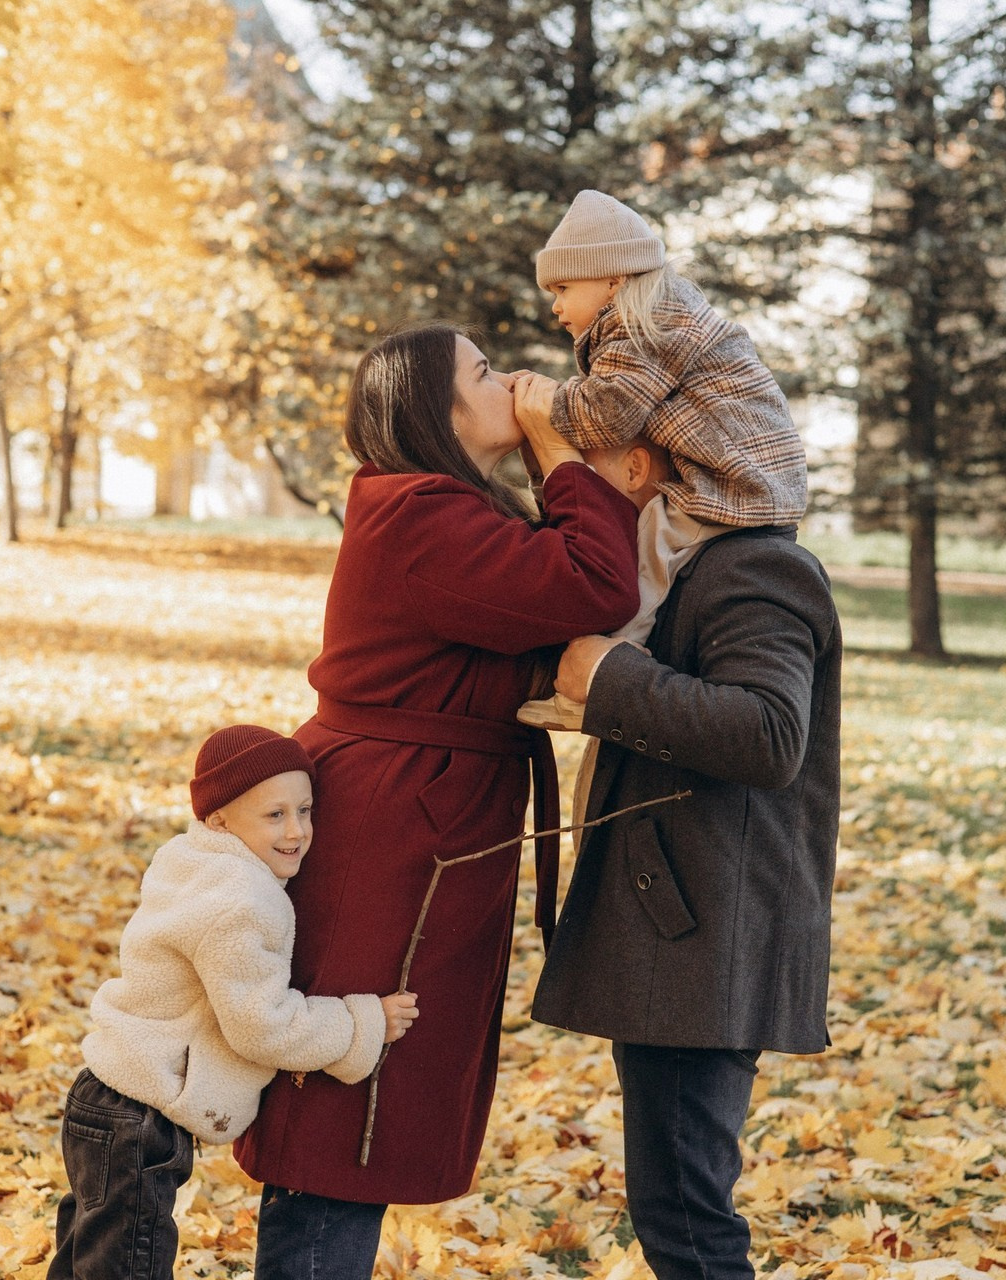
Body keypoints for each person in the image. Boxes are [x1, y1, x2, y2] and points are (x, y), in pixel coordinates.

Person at [233, 324, 641, 1279]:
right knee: (347, 1090)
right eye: (485, 373)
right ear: (434, 411)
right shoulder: (417, 511)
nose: (513, 381)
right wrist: (560, 451)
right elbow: (594, 583)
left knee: (368, 1081)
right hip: (398, 826)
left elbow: (562, 590)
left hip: (424, 812)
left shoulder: (433, 506)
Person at [530, 437, 842, 1280]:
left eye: (577, 461)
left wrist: (613, 678)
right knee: (677, 1203)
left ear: (638, 468)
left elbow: (769, 734)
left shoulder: (755, 567)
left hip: (707, 931)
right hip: (680, 920)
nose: (563, 487)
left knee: (686, 1216)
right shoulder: (678, 571)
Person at [48, 724, 419, 1280]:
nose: (296, 831)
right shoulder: (241, 901)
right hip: (140, 1117)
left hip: (104, 1097)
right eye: (274, 815)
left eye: (306, 810)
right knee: (127, 1267)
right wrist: (359, 1021)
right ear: (219, 817)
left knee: (87, 1261)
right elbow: (261, 1024)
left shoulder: (191, 862)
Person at [514, 188, 809, 732]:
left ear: (613, 278)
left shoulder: (648, 326)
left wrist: (543, 406)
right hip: (740, 472)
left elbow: (608, 414)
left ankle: (601, 672)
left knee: (649, 549)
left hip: (738, 481)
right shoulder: (653, 321)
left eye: (562, 288)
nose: (555, 305)